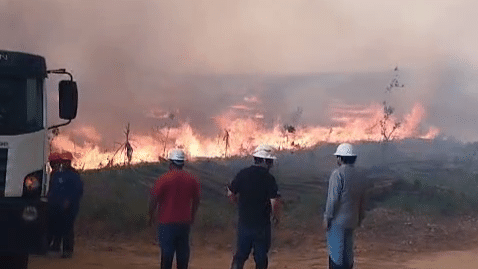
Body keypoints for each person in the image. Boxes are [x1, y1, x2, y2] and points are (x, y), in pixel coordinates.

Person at [227, 145, 281, 269]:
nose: (271, 164)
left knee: (240, 255)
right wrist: (276, 217)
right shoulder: (269, 178)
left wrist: (239, 206)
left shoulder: (243, 173)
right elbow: (274, 201)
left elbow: (230, 193)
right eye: (270, 161)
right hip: (262, 225)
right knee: (261, 258)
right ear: (265, 161)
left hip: (244, 223)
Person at [148, 149, 201, 269]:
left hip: (166, 223)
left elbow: (154, 199)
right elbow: (197, 200)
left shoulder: (163, 179)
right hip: (184, 223)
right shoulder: (192, 179)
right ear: (183, 163)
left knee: (166, 254)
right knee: (183, 254)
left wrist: (151, 216)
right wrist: (192, 216)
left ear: (171, 163)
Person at [323, 143, 369, 269]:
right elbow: (362, 200)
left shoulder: (337, 174)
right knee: (348, 254)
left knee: (336, 255)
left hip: (337, 222)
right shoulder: (361, 175)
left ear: (340, 158)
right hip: (352, 220)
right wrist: (360, 218)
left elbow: (333, 199)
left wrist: (327, 218)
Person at [47, 151, 83, 258]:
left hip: (70, 206)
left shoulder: (73, 174)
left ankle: (67, 250)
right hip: (57, 205)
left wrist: (69, 201)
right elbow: (54, 189)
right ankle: (56, 246)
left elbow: (77, 190)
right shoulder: (58, 174)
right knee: (57, 225)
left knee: (67, 228)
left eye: (66, 161)